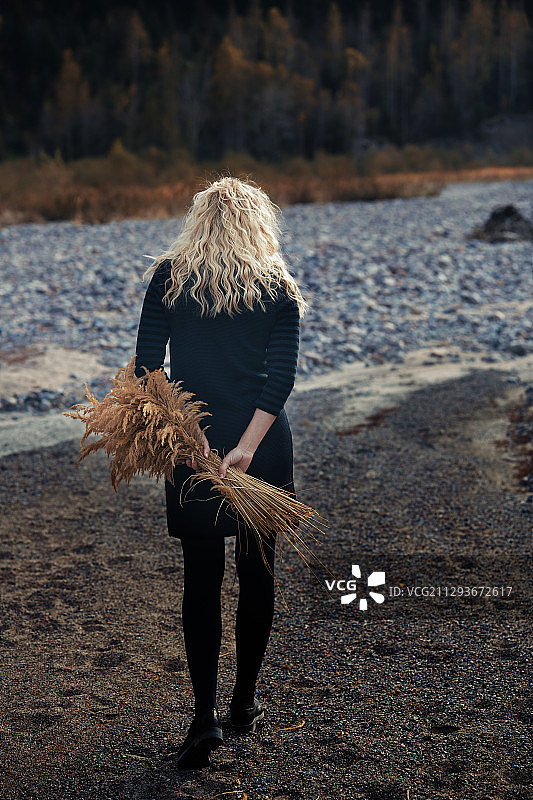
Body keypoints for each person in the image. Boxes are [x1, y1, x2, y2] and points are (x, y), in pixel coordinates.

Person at [133, 176, 308, 769]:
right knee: (258, 572)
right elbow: (278, 380)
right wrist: (246, 449)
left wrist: (191, 441)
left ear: (197, 221)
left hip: (193, 450)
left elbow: (147, 370)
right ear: (262, 224)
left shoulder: (170, 279)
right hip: (261, 448)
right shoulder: (278, 285)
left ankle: (203, 715)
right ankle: (244, 705)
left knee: (201, 580)